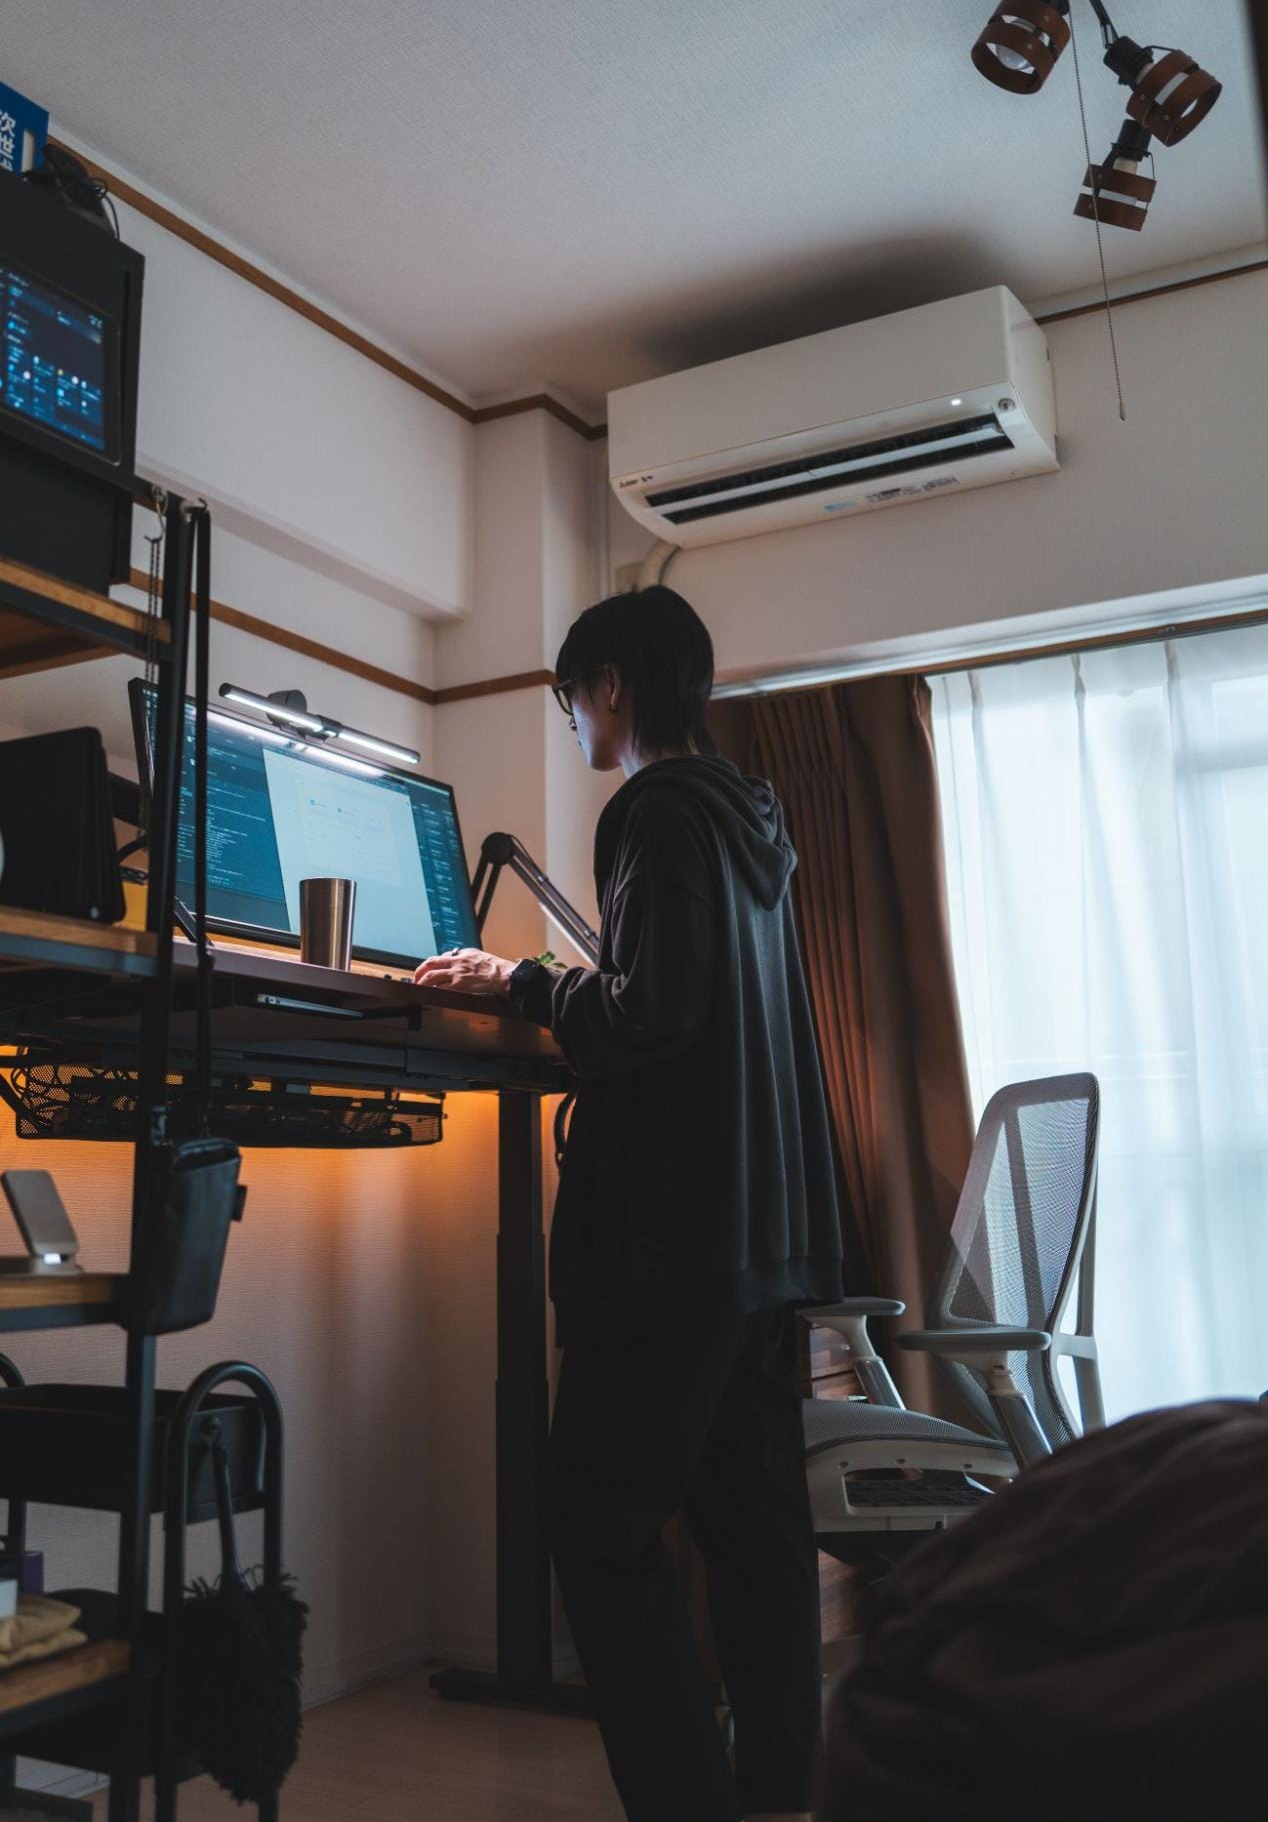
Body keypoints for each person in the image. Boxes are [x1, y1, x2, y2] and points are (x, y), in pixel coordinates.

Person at [414, 585, 844, 1822]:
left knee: (596, 1525)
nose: (569, 721)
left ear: (610, 686)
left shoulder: (653, 806)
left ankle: (687, 1801)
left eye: (569, 697)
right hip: (763, 1240)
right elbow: (691, 998)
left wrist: (524, 978)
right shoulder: (751, 814)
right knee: (751, 1527)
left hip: (674, 1246)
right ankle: (777, 1790)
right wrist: (574, 982)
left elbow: (651, 1012)